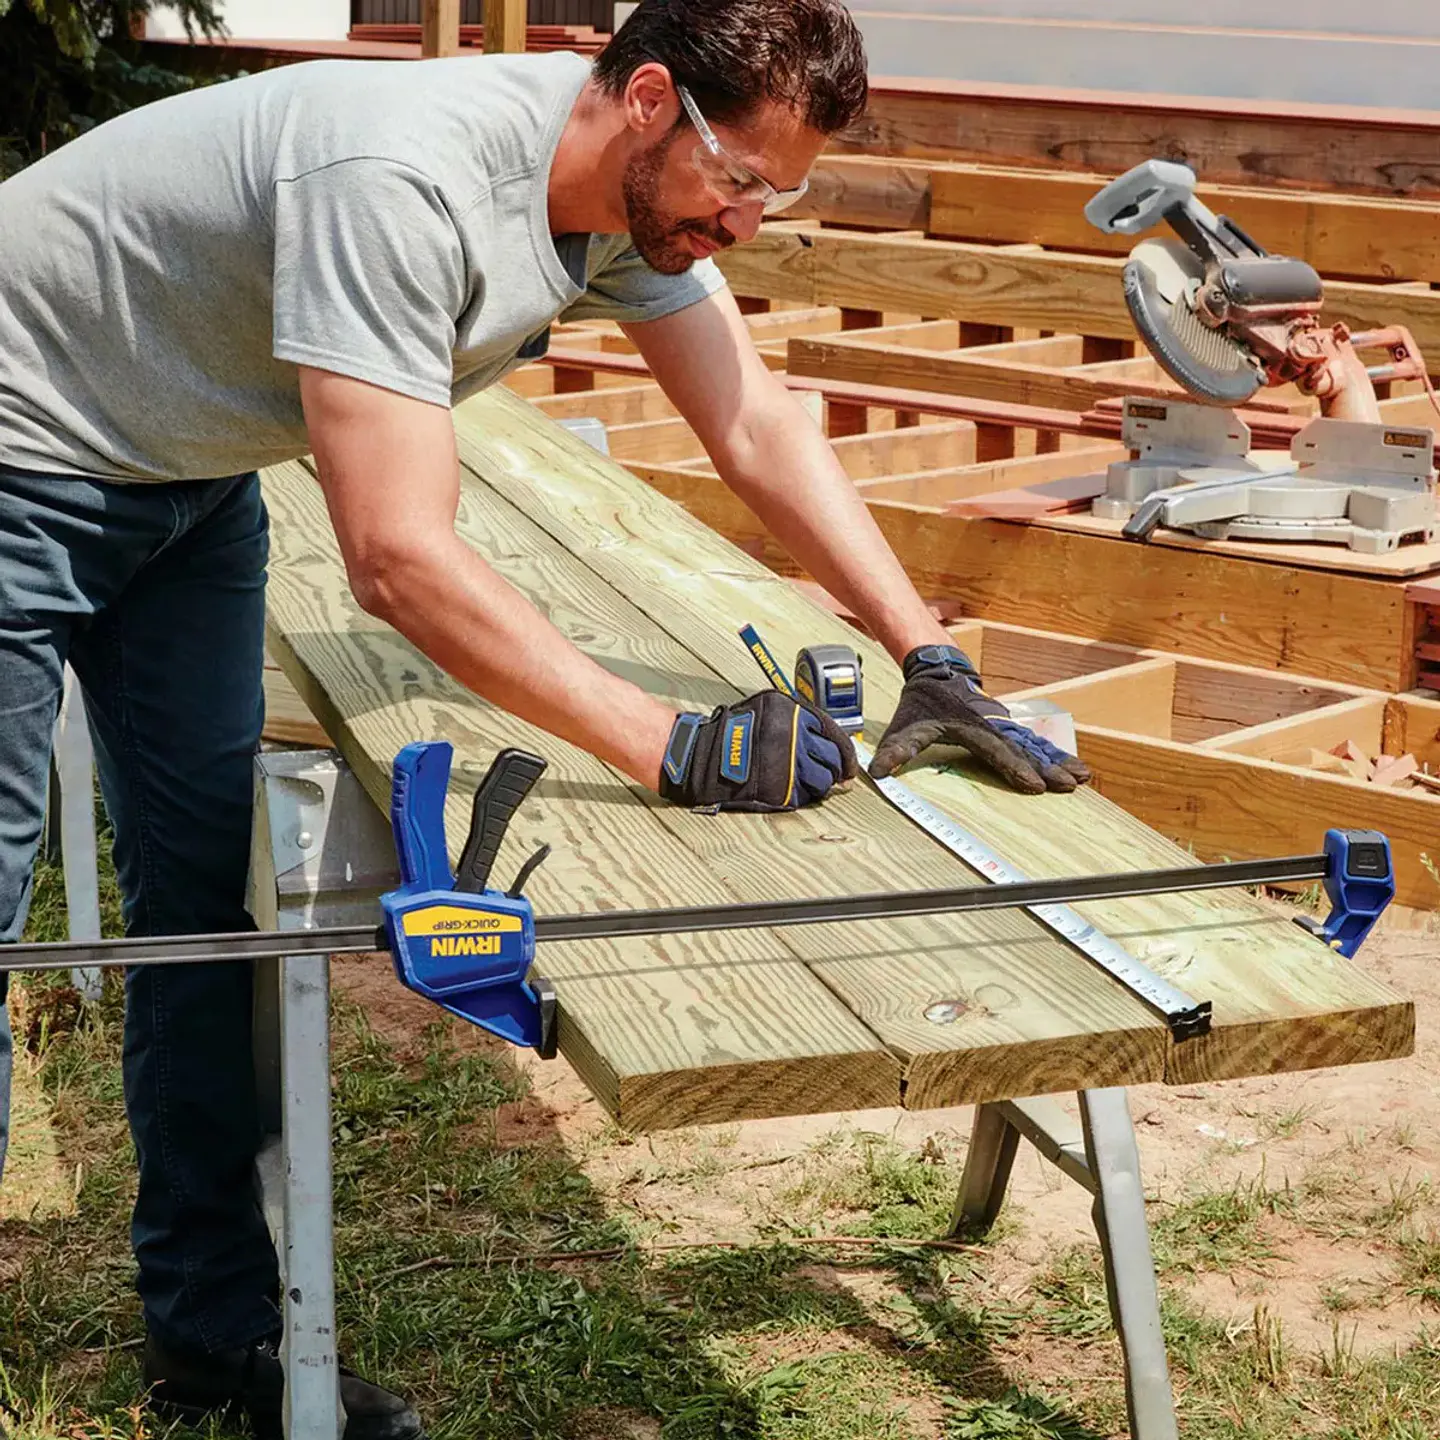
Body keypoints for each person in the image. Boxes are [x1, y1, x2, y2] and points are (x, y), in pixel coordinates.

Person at [0, 0, 1089, 1433]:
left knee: (208, 912)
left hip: (184, 480)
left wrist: (927, 656)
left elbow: (753, 423)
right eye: (739, 180)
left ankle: (212, 1338)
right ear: (649, 100)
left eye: (779, 195)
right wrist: (669, 742)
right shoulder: (406, 182)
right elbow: (396, 558)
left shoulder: (635, 210)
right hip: (15, 444)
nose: (747, 221)